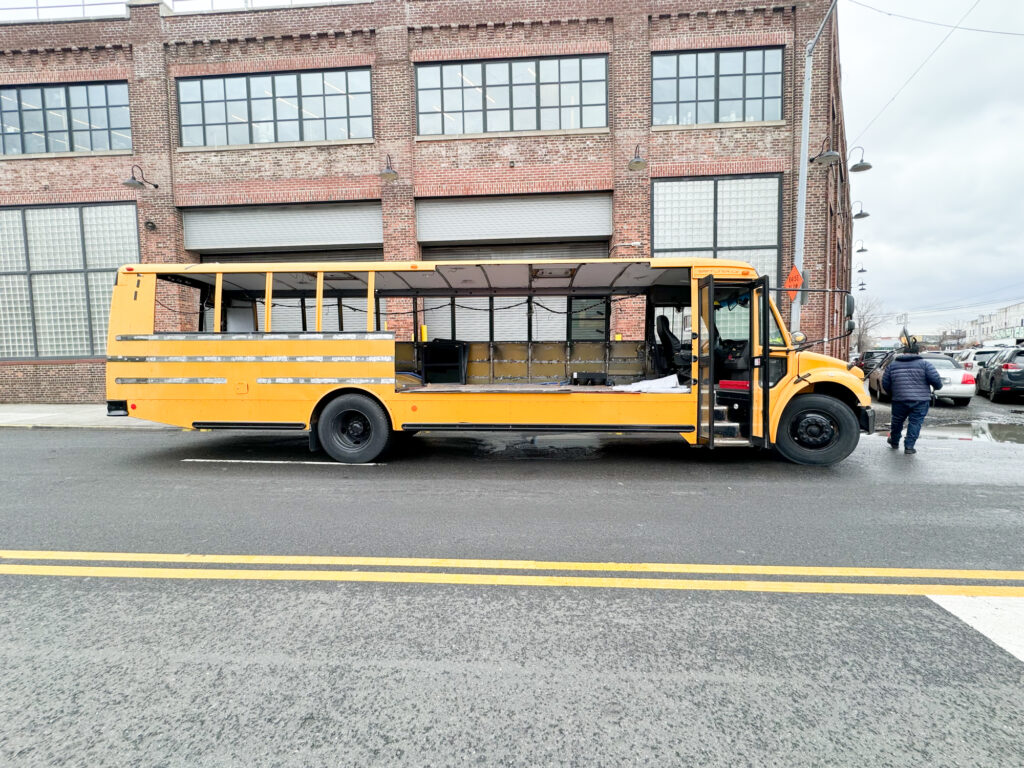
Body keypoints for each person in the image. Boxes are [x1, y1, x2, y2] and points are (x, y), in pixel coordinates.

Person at [881, 341, 943, 455]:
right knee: (915, 423)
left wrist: (893, 393)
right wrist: (937, 387)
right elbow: (936, 381)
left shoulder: (892, 366)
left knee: (897, 421)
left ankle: (894, 441)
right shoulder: (925, 364)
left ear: (904, 353)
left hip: (899, 399)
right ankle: (909, 446)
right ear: (917, 352)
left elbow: (885, 383)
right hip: (920, 400)